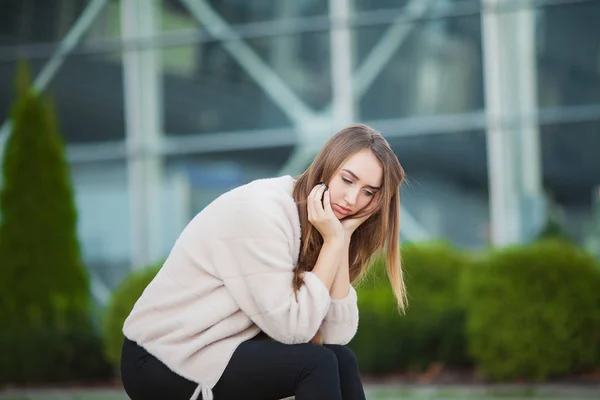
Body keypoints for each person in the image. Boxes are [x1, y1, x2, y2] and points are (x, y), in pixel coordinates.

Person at [119, 123, 407, 400]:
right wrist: (333, 242)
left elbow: (337, 335)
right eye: (347, 180)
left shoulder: (322, 224)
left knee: (340, 359)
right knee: (314, 364)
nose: (353, 199)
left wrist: (340, 239)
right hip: (162, 356)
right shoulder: (263, 213)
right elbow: (294, 330)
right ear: (326, 167)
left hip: (217, 348)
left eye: (369, 192)